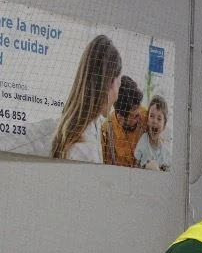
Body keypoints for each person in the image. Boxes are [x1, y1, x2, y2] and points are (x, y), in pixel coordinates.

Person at [51, 35, 122, 163]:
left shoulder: (87, 125)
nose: (117, 95)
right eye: (118, 81)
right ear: (109, 83)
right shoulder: (85, 150)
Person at [102, 75, 147, 167]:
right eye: (134, 111)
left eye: (138, 106)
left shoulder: (147, 118)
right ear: (120, 118)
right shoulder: (106, 131)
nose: (139, 113)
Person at [135, 95, 171, 171]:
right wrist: (145, 167)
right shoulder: (143, 140)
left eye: (159, 119)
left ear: (164, 125)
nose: (155, 121)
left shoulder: (166, 152)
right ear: (147, 121)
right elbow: (136, 165)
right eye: (151, 116)